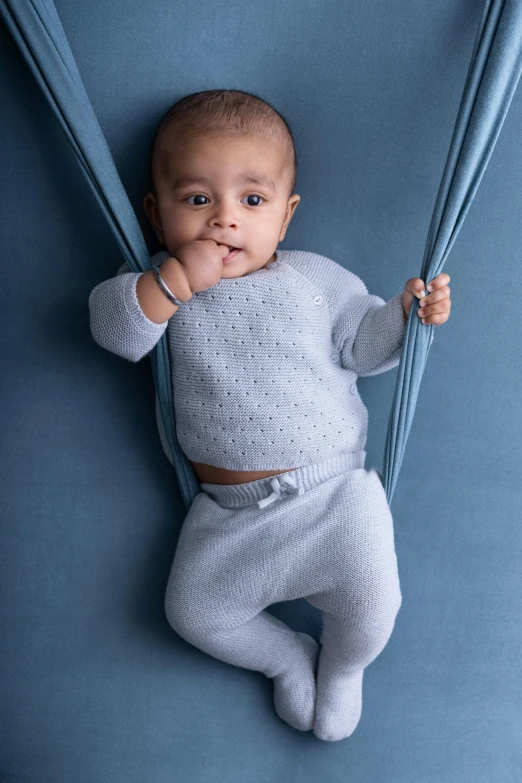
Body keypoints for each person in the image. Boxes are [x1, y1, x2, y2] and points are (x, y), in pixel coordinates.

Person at [88, 88, 451, 742]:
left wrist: (406, 316)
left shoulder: (315, 279)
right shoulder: (156, 284)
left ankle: (341, 669)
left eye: (250, 201)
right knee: (192, 611)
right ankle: (286, 656)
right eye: (197, 199)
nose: (224, 220)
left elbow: (364, 347)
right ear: (156, 211)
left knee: (375, 607)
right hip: (230, 517)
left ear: (284, 218)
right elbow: (116, 331)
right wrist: (173, 281)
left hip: (333, 498)